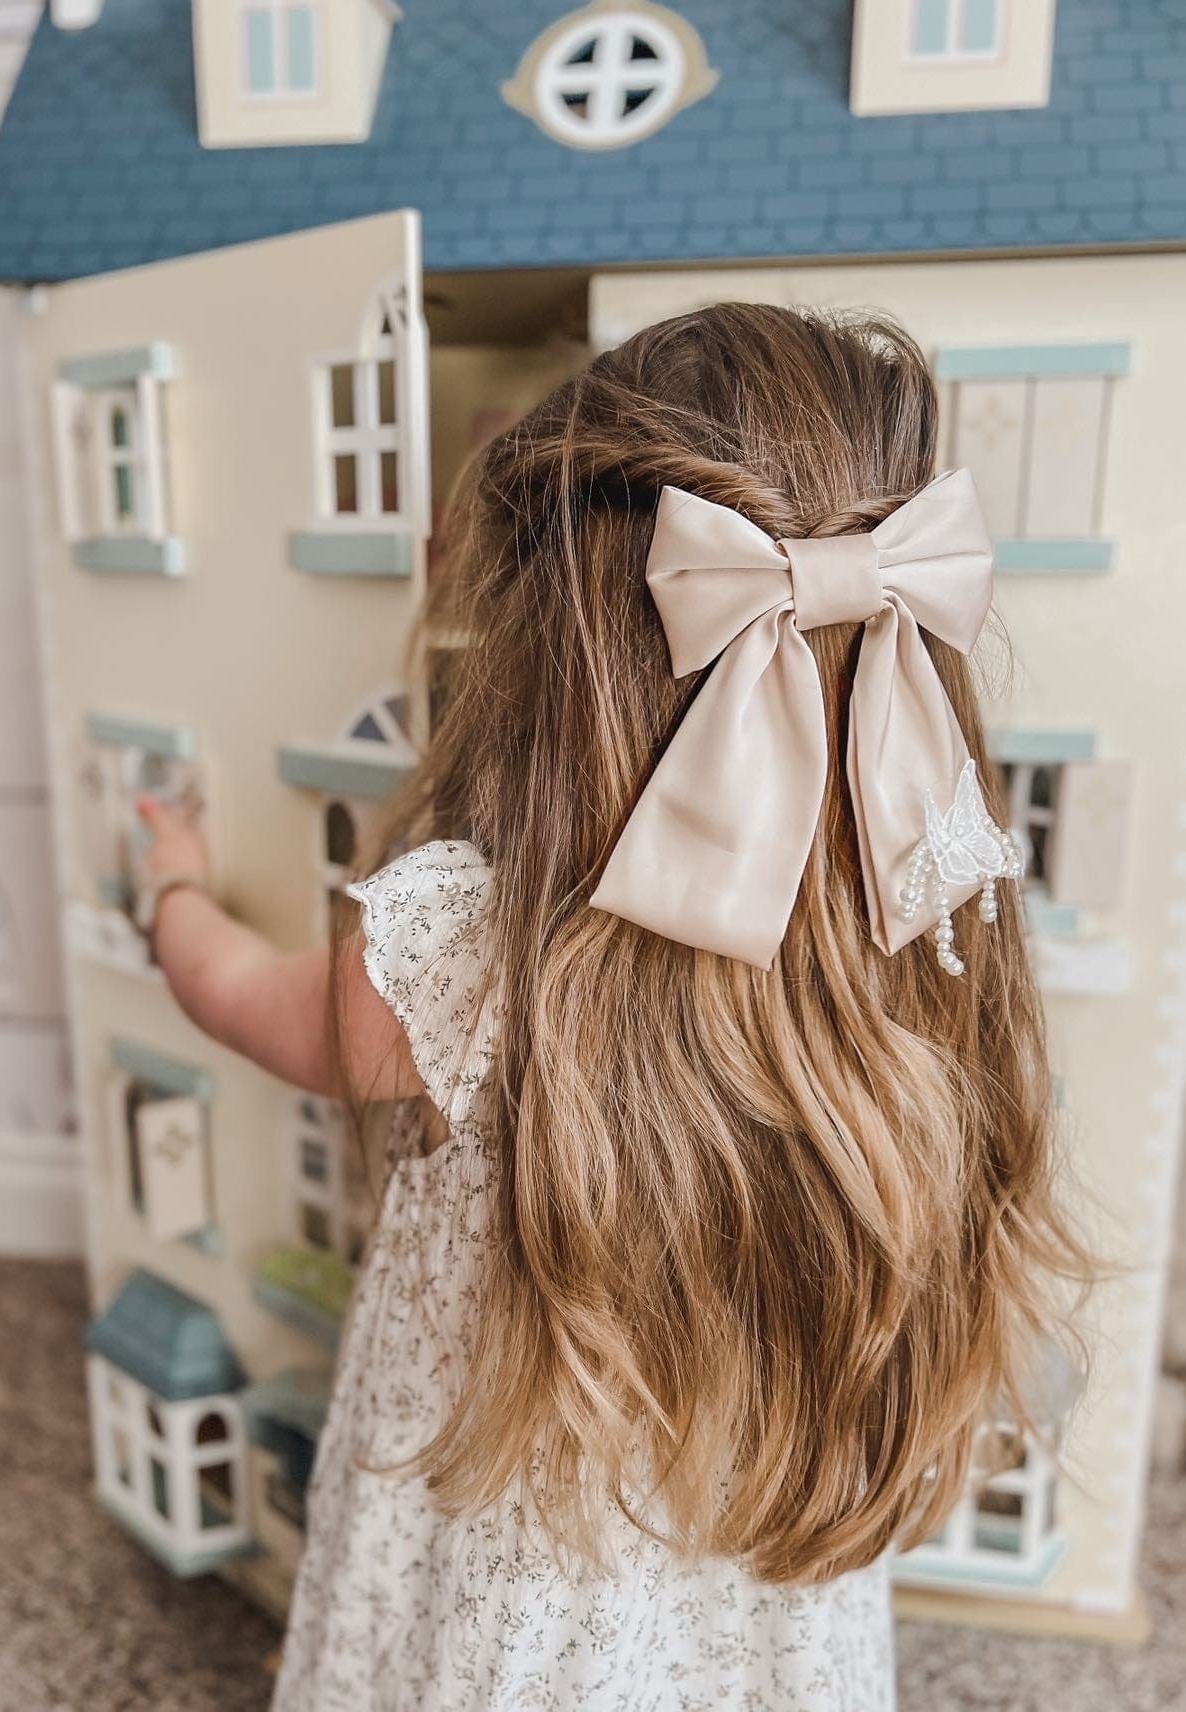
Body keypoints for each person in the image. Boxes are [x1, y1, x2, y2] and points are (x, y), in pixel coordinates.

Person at [138, 303, 1089, 1711]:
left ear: (546, 658)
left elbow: (237, 998)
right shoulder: (937, 896)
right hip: (765, 1584)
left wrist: (170, 887)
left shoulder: (473, 938)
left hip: (510, 1594)